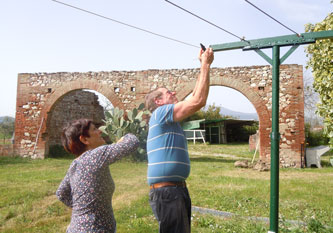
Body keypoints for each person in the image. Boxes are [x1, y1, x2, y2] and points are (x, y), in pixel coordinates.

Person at [145, 47, 214, 232]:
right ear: (158, 101)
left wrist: (203, 65)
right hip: (167, 192)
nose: (174, 93)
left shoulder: (170, 119)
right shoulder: (160, 113)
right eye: (169, 93)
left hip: (174, 190)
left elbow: (196, 96)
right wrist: (206, 64)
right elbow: (198, 100)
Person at [56, 118, 139, 233]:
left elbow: (61, 193)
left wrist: (84, 211)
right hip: (94, 229)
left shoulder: (75, 164)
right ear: (84, 139)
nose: (100, 131)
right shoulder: (95, 156)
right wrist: (125, 137)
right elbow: (132, 143)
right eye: (94, 129)